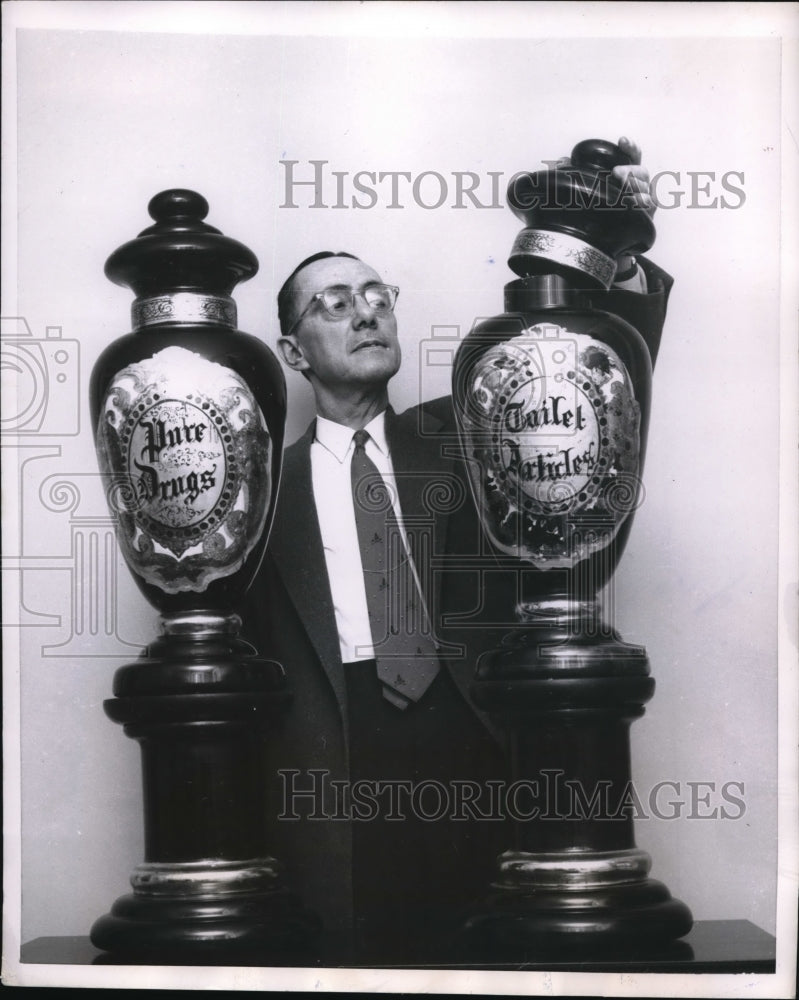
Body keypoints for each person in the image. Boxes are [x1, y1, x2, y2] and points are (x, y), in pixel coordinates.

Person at [243, 139, 672, 965]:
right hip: (335, 761)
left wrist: (613, 251)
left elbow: (592, 364)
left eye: (377, 295)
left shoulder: (470, 429)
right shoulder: (259, 491)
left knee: (500, 958)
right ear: (293, 354)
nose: (365, 311)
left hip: (475, 738)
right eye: (334, 303)